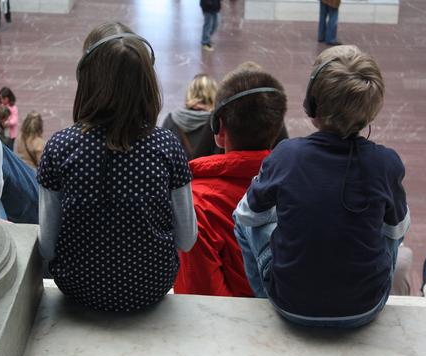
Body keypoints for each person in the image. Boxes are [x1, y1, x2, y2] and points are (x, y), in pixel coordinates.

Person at [234, 45, 410, 328]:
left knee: (242, 225)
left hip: (290, 306)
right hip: (366, 307)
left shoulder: (286, 155)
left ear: (311, 104)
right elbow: (396, 232)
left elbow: (247, 215)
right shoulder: (386, 162)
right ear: (371, 110)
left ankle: (262, 299)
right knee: (394, 222)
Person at [37, 22, 197, 312]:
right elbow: (187, 240)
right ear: (148, 80)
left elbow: (46, 246)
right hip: (151, 287)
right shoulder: (168, 146)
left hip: (78, 289)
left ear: (85, 78)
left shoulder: (60, 147)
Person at [175, 64, 287, 297]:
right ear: (277, 130)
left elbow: (199, 297)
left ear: (219, 128)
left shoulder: (198, 205)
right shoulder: (301, 187)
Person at [162, 74, 220, 160]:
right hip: (207, 172)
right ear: (214, 94)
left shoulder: (171, 119)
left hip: (179, 173)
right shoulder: (217, 121)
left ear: (190, 93)